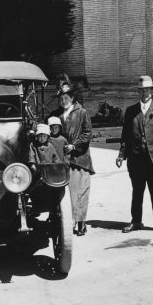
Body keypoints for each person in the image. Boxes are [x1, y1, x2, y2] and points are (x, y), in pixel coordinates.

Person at [116, 75, 153, 234]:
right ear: (138, 92)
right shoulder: (130, 111)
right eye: (141, 90)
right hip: (136, 159)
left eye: (147, 90)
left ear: (152, 91)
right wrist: (121, 154)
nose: (144, 93)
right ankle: (136, 221)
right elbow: (125, 135)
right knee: (137, 191)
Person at [58, 81, 93, 236]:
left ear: (72, 98)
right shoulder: (57, 114)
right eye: (61, 98)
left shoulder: (82, 112)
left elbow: (87, 134)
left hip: (80, 158)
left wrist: (74, 145)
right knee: (70, 194)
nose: (63, 101)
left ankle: (81, 223)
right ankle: (73, 221)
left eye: (66, 97)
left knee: (81, 192)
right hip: (64, 160)